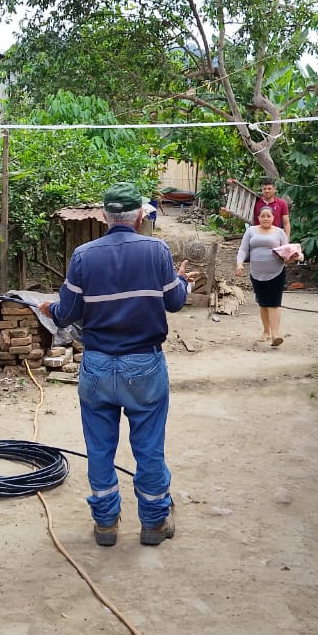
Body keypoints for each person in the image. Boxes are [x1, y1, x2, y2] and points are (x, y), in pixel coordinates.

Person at [39, 182, 198, 547]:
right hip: (144, 366)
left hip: (96, 367)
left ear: (104, 216)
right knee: (149, 448)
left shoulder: (83, 256)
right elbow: (175, 302)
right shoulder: (157, 250)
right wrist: (182, 281)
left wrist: (50, 309)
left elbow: (67, 314)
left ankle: (106, 524)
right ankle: (154, 524)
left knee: (99, 449)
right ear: (140, 215)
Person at [235, 206, 302, 347]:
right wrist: (239, 263)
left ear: (273, 218)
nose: (265, 218)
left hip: (276, 272)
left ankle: (275, 335)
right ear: (258, 218)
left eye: (268, 216)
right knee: (263, 303)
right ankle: (266, 331)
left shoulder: (280, 232)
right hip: (256, 273)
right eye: (263, 216)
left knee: (274, 303)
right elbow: (243, 249)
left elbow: (287, 251)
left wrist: (292, 257)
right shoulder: (251, 231)